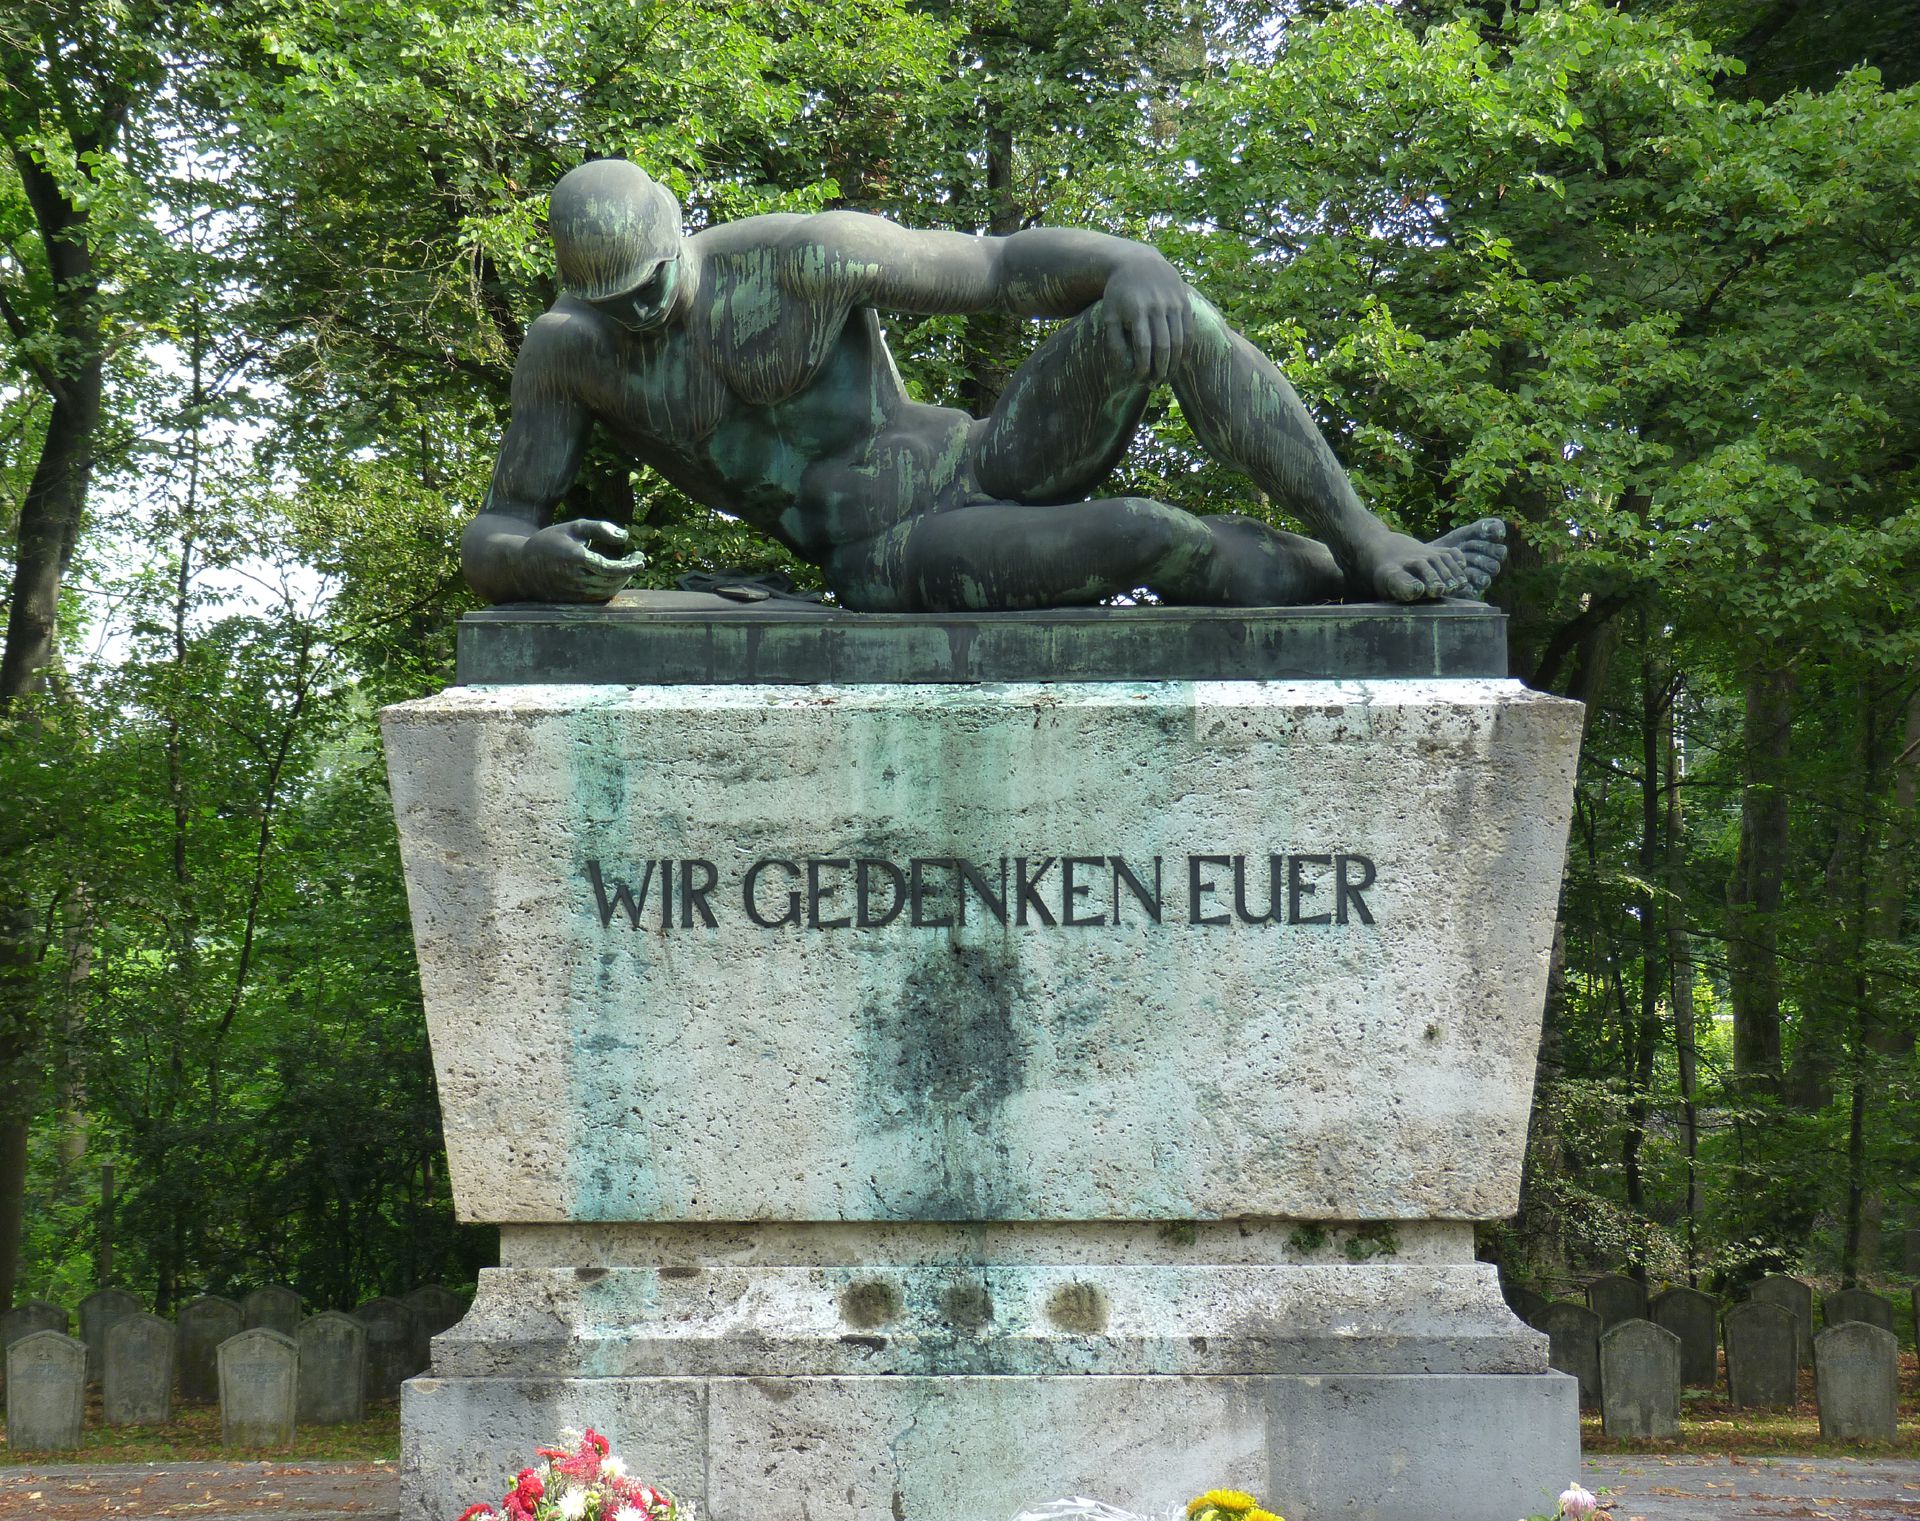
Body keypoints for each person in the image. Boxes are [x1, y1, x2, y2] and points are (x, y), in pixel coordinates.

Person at [462, 158, 1506, 611]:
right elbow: (500, 524)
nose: (639, 313)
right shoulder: (568, 350)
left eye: (651, 285)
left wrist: (1125, 261)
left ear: (676, 232)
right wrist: (537, 563)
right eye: (614, 300)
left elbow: (1000, 268)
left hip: (978, 454)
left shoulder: (802, 259)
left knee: (1172, 313)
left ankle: (1367, 544)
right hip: (886, 550)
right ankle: (1341, 582)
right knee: (1146, 529)